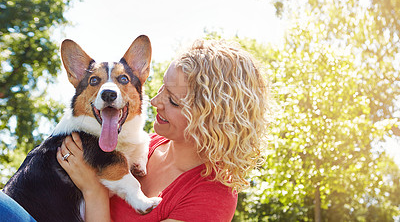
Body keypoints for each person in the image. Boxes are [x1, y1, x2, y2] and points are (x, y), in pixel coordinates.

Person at [1, 39, 271, 222]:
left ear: (210, 118)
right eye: (161, 88)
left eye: (173, 100)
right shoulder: (138, 145)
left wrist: (93, 190)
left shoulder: (211, 197)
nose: (154, 102)